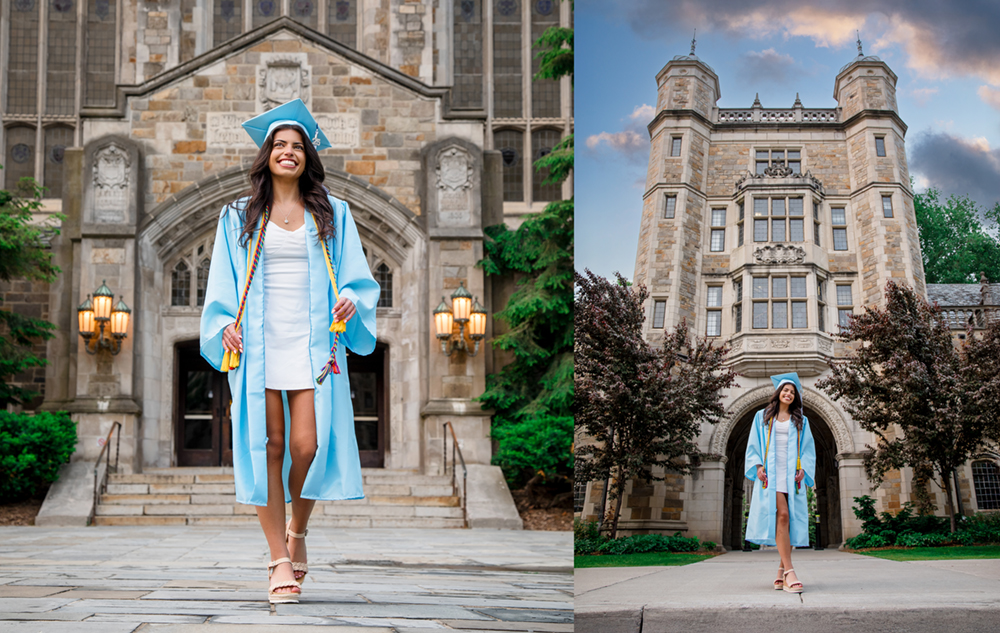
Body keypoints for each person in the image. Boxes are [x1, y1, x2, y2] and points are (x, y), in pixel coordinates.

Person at [200, 98, 380, 604]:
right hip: (258, 346)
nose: (288, 153)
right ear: (266, 155)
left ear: (308, 157)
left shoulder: (333, 213)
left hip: (313, 344)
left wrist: (350, 299)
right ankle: (278, 559)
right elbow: (220, 285)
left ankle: (296, 530)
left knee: (308, 444)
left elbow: (357, 279)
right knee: (267, 448)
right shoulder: (237, 214)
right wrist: (222, 327)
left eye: (297, 146)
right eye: (279, 145)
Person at [743, 372, 816, 593]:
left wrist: (804, 468)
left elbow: (808, 449)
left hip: (790, 475)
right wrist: (757, 466)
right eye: (785, 390)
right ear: (778, 393)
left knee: (790, 520)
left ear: (795, 397)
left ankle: (780, 572)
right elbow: (753, 444)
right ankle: (790, 571)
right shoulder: (762, 417)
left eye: (792, 392)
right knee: (782, 515)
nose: (788, 394)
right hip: (772, 475)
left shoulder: (801, 421)